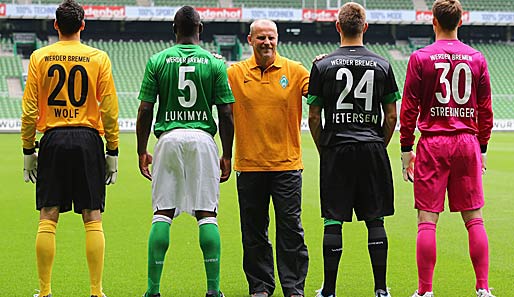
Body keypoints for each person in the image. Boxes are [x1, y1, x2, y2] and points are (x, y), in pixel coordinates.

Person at [20, 1, 119, 297]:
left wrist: (28, 149)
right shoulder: (98, 58)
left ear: (55, 25)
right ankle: (96, 291)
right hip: (89, 140)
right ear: (83, 25)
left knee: (48, 215)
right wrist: (112, 149)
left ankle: (46, 290)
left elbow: (28, 110)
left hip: (52, 139)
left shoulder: (40, 57)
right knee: (92, 215)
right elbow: (110, 110)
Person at [136, 6, 234, 297]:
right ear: (200, 29)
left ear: (174, 29)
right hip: (203, 139)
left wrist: (142, 149)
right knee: (207, 215)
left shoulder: (157, 60)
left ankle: (153, 291)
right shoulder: (215, 63)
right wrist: (226, 154)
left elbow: (144, 109)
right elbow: (226, 113)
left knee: (161, 213)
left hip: (168, 138)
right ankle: (213, 290)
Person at [400, 0, 494, 296]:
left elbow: (409, 108)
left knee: (427, 220)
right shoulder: (477, 58)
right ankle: (483, 288)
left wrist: (406, 149)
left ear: (434, 21)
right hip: (467, 142)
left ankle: (425, 291)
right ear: (461, 21)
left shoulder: (420, 57)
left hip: (433, 143)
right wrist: (483, 148)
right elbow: (485, 109)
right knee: (474, 217)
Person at [307, 2, 400, 297]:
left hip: (337, 147)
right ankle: (381, 289)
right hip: (371, 147)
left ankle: (330, 291)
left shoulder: (321, 65)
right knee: (375, 218)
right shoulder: (383, 64)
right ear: (365, 27)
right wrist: (377, 143)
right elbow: (392, 115)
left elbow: (312, 116)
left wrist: (325, 147)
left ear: (338, 27)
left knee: (333, 218)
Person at [227, 19, 309, 297]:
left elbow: (323, 87)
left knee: (291, 230)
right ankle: (260, 287)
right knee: (253, 233)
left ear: (278, 39)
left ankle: (293, 288)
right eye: (261, 38)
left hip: (287, 166)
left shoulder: (295, 71)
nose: (267, 43)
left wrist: (325, 62)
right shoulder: (235, 73)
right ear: (249, 40)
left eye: (271, 37)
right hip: (249, 166)